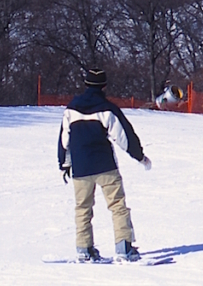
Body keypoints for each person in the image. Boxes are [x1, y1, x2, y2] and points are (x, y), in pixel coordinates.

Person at [58, 68, 151, 262]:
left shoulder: (71, 109)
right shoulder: (107, 108)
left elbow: (64, 139)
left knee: (82, 208)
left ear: (86, 84)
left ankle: (84, 250)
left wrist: (64, 164)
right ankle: (124, 248)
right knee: (118, 206)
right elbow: (124, 137)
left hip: (81, 168)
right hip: (105, 166)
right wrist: (140, 156)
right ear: (104, 86)